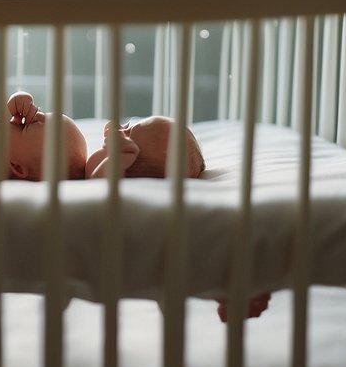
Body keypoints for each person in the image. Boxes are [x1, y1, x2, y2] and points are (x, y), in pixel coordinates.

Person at [83, 115, 271, 323]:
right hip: (154, 251)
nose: (113, 129)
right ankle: (228, 288)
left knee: (176, 269)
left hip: (129, 248)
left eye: (127, 133)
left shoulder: (104, 176)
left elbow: (97, 187)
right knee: (183, 268)